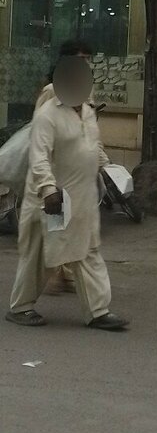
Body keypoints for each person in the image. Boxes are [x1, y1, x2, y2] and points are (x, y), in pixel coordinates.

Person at [6, 56, 128, 331]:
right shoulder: (47, 116)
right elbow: (39, 158)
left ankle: (98, 311)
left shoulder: (86, 111)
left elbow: (93, 146)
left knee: (88, 251)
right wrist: (48, 189)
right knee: (39, 255)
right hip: (54, 202)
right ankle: (20, 307)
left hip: (83, 201)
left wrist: (109, 170)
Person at [38, 40, 94, 296]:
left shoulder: (85, 90)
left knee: (76, 225)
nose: (86, 64)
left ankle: (69, 274)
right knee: (58, 224)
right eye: (80, 59)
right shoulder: (52, 91)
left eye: (87, 59)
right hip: (57, 171)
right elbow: (40, 133)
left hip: (78, 172)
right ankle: (53, 275)